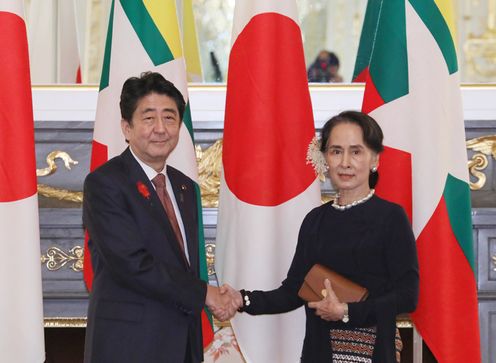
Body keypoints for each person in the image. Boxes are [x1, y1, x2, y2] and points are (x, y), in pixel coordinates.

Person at [224, 111, 419, 362]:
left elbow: (408, 296)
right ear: (325, 158)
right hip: (320, 353)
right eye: (336, 151)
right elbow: (293, 291)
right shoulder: (315, 221)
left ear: (375, 159)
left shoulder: (391, 217)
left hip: (374, 352)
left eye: (356, 151)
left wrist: (348, 311)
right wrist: (243, 298)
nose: (345, 162)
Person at [83, 72, 236, 363]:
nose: (160, 128)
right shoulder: (105, 183)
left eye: (169, 117)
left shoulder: (184, 187)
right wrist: (205, 294)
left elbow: (184, 264)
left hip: (182, 343)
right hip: (129, 345)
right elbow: (132, 263)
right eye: (148, 118)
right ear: (126, 128)